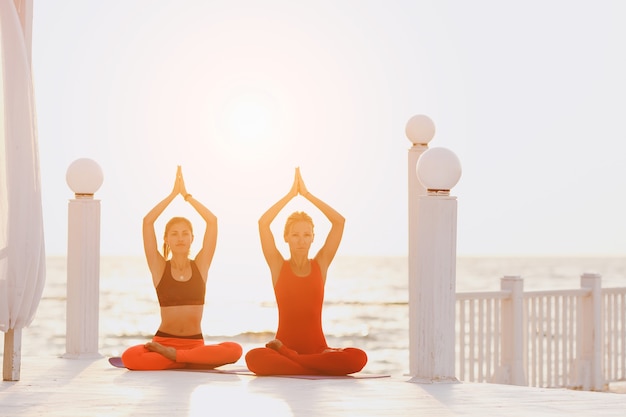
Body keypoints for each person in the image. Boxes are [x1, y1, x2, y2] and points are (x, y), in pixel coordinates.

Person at [245, 168, 367, 376]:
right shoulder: (278, 265)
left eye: (306, 235)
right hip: (287, 348)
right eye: (295, 235)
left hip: (313, 350)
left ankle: (296, 360)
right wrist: (291, 195)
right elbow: (263, 224)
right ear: (286, 237)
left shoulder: (321, 263)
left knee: (359, 357)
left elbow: (339, 222)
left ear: (312, 237)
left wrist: (307, 195)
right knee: (253, 358)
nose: (301, 240)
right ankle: (310, 364)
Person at [120, 166, 242, 370]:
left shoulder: (201, 266)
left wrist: (187, 196)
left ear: (192, 238)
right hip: (163, 343)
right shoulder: (160, 268)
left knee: (235, 349)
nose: (180, 238)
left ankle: (176, 357)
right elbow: (147, 222)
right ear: (166, 238)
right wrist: (171, 195)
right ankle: (182, 358)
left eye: (185, 233)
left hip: (194, 344)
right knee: (130, 357)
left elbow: (212, 222)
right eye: (174, 234)